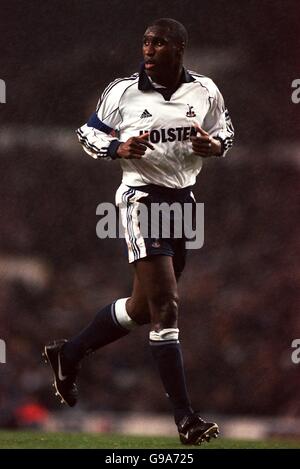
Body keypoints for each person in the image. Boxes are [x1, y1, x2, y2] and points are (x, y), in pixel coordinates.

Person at [43, 18, 234, 445]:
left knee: (143, 308)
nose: (148, 50)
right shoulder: (123, 91)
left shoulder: (205, 90)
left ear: (180, 48)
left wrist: (215, 146)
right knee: (166, 308)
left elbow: (226, 131)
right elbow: (87, 133)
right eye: (145, 42)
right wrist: (117, 147)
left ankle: (68, 354)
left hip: (183, 202)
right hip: (141, 200)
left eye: (159, 43)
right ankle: (186, 420)